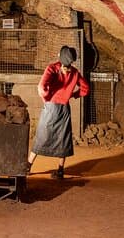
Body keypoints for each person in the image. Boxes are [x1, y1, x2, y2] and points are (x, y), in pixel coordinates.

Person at [28, 45, 90, 179]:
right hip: (64, 109)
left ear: (59, 56)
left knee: (42, 135)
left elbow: (41, 87)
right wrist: (73, 95)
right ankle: (60, 170)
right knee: (63, 138)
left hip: (51, 107)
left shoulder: (52, 68)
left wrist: (46, 98)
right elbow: (85, 89)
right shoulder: (74, 72)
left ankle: (28, 166)